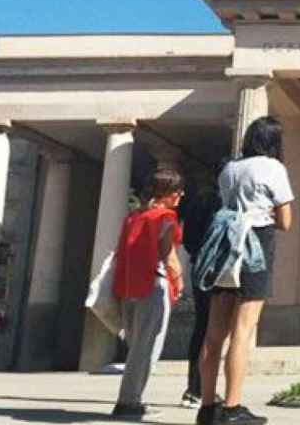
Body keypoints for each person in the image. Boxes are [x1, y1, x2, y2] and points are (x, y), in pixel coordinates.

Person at [198, 117, 295, 425]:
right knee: (242, 331)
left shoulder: (230, 169)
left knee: (214, 335)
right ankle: (232, 407)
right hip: (255, 246)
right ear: (274, 142)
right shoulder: (272, 168)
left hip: (225, 247)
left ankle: (207, 407)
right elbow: (285, 221)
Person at [111, 168, 186, 420]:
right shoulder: (164, 217)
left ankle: (132, 398)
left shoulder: (134, 216)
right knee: (147, 347)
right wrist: (179, 279)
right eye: (177, 191)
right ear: (165, 193)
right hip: (152, 286)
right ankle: (129, 401)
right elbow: (169, 255)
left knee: (136, 345)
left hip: (128, 287)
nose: (180, 195)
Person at [179, 174, 224, 409]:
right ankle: (202, 390)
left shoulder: (198, 202)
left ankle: (194, 388)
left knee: (201, 327)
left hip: (198, 266)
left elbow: (186, 240)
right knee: (213, 330)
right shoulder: (222, 202)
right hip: (217, 270)